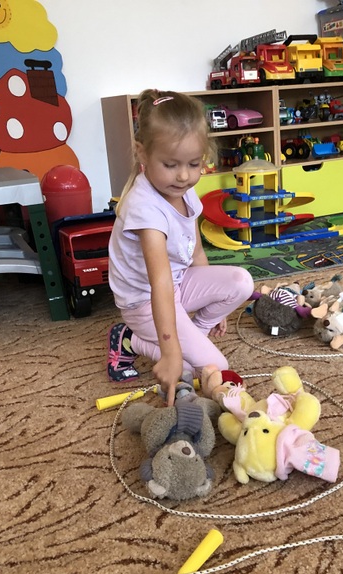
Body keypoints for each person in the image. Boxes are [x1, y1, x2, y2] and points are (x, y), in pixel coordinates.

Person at [106, 89, 254, 405]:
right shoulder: (145, 209)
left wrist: (211, 305)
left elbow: (195, 252)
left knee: (241, 282)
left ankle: (192, 336)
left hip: (176, 285)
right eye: (171, 164)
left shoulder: (184, 190)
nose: (184, 176)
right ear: (142, 153)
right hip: (144, 301)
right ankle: (130, 339)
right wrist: (171, 352)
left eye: (194, 163)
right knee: (215, 367)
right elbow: (159, 283)